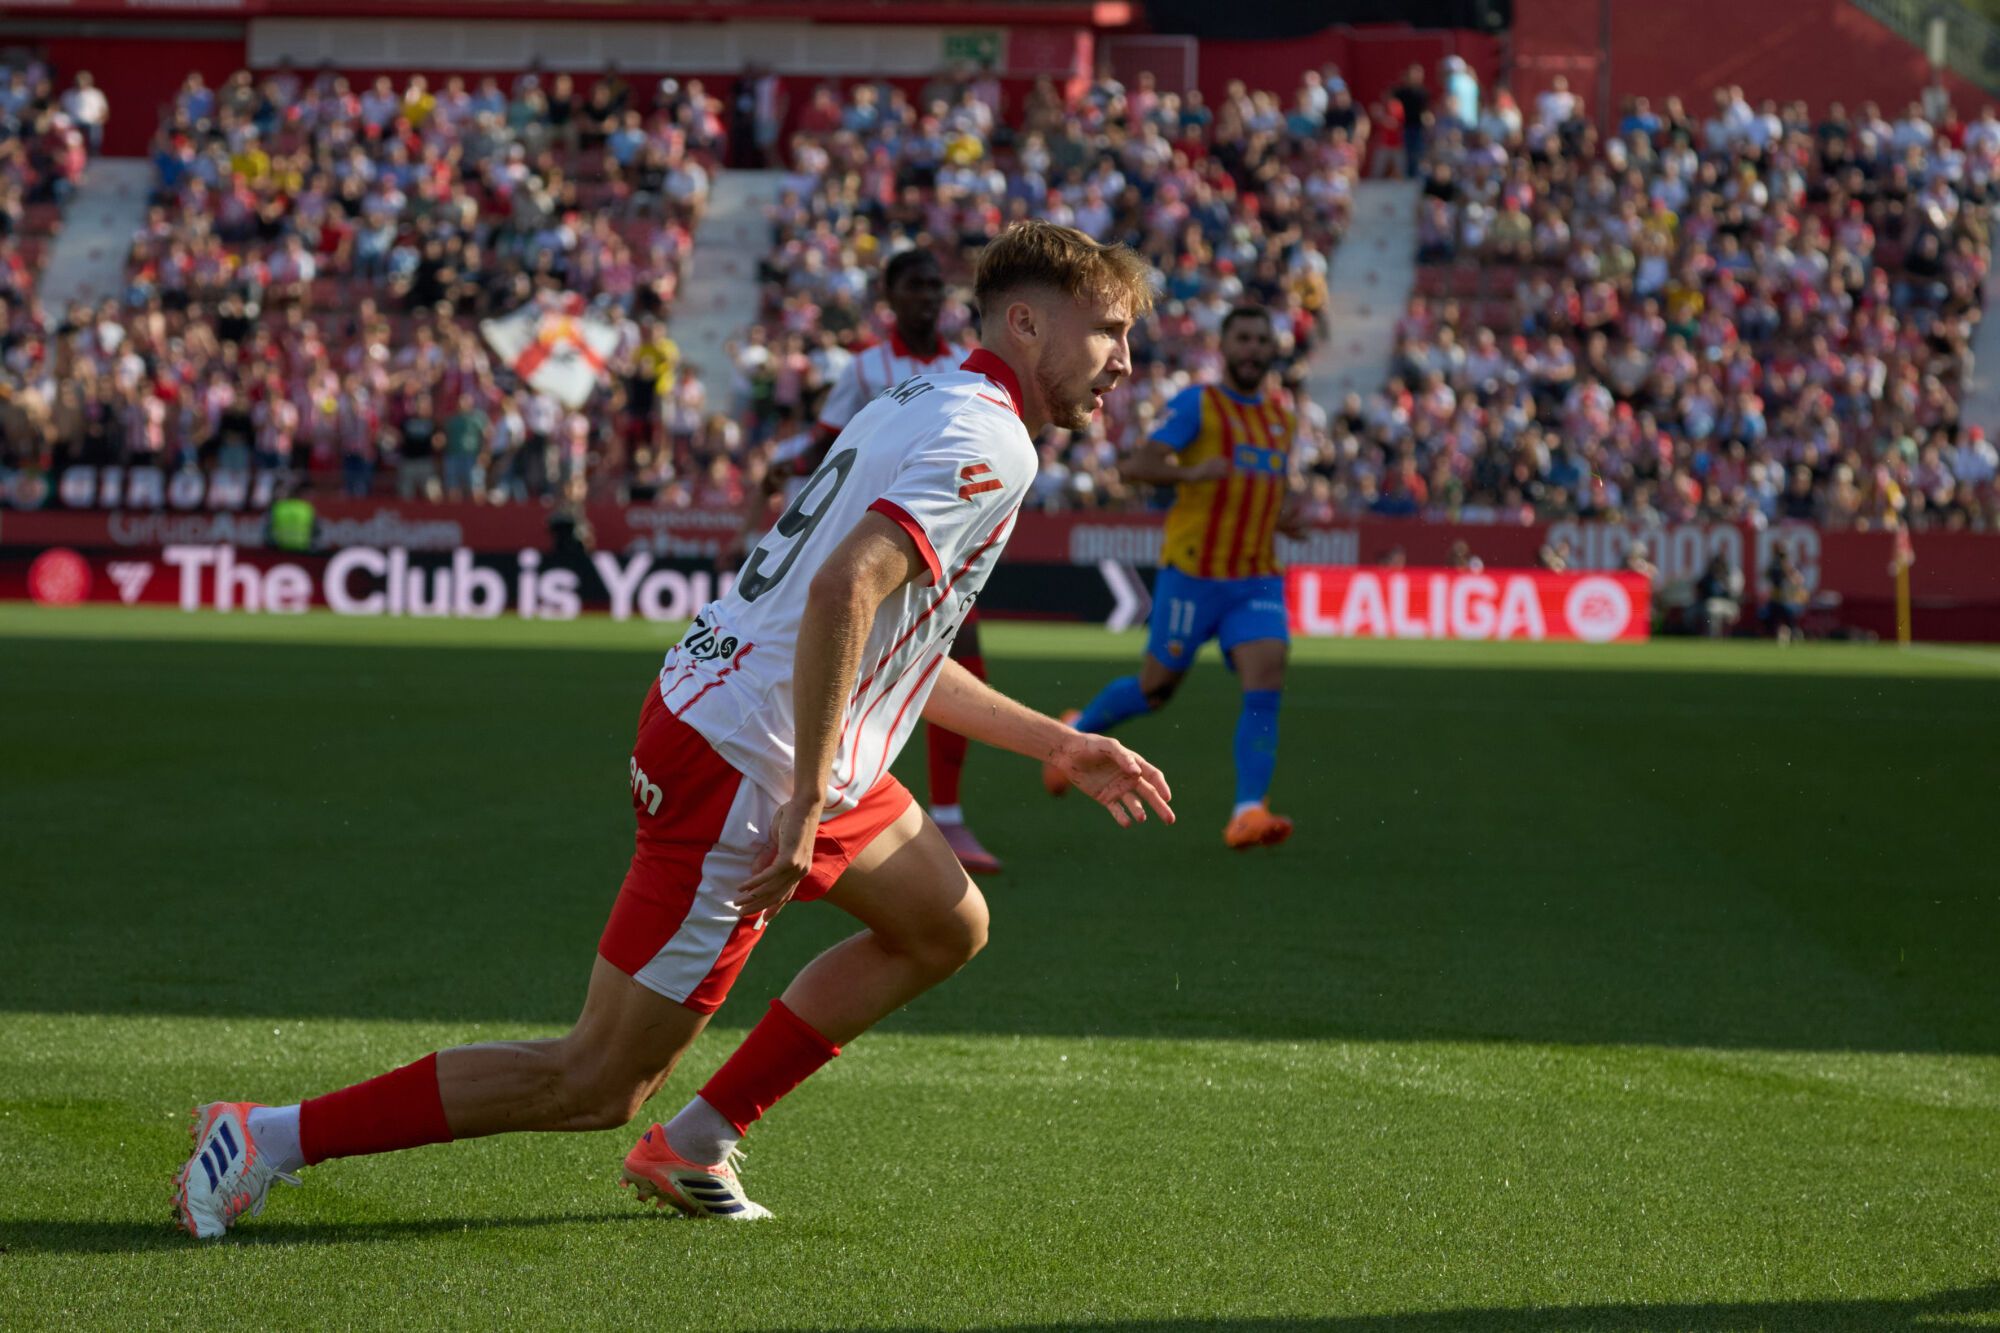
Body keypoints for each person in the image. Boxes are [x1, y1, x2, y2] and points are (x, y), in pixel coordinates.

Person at [174, 220, 1173, 1237]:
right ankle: (265, 1136)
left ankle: (692, 1143)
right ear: (1023, 322)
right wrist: (797, 807)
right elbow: (842, 591)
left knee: (942, 922)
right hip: (751, 762)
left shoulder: (923, 397)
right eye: (1106, 333)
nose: (1123, 363)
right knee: (595, 1078)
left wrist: (1053, 743)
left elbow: (880, 639)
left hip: (759, 723)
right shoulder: (987, 438)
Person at [745, 248, 1006, 876]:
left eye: (933, 285)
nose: (927, 297)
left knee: (956, 661)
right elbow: (835, 440)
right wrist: (789, 458)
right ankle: (797, 796)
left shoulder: (962, 364)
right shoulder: (866, 368)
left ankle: (947, 814)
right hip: (868, 534)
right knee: (838, 656)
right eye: (913, 285)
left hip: (934, 538)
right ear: (889, 295)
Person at [1049, 305, 1301, 851]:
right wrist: (1191, 472)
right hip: (1193, 575)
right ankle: (1077, 730)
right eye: (1244, 338)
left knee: (1267, 681)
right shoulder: (1199, 406)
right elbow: (1136, 466)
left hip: (1255, 578)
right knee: (1154, 690)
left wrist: (1282, 517)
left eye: (1262, 338)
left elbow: (1257, 487)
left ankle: (1248, 811)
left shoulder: (1283, 417)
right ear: (1226, 347)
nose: (1254, 348)